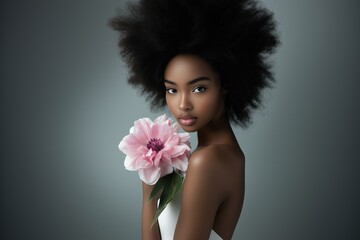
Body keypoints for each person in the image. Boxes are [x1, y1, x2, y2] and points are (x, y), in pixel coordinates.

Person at [110, 0, 279, 239]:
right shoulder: (226, 155)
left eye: (198, 88)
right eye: (172, 90)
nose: (183, 105)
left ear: (226, 84)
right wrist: (150, 186)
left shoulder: (206, 161)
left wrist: (149, 195)